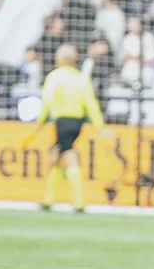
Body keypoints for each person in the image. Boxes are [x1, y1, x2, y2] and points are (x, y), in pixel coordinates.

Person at [33, 43, 104, 212]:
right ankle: (48, 200)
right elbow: (90, 102)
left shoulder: (55, 77)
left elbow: (48, 100)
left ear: (61, 58)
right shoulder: (81, 78)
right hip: (78, 122)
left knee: (68, 154)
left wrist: (40, 121)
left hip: (62, 121)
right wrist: (99, 124)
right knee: (57, 155)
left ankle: (79, 202)